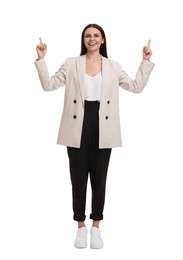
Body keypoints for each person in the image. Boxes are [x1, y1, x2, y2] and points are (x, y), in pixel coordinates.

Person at [35, 23, 154, 249]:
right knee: (78, 180)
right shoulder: (72, 64)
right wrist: (41, 60)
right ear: (83, 40)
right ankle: (80, 226)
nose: (91, 39)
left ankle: (96, 226)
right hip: (76, 126)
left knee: (99, 180)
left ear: (102, 40)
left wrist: (145, 62)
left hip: (103, 127)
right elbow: (48, 85)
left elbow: (136, 86)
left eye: (96, 35)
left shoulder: (113, 66)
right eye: (87, 35)